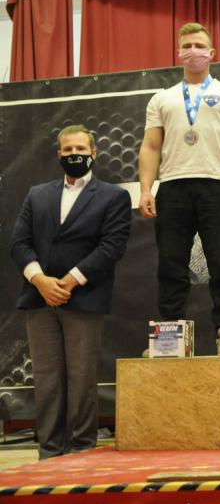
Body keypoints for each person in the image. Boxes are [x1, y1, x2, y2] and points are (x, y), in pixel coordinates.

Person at [10, 125, 131, 459]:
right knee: (47, 379)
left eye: (80, 149)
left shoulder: (113, 196)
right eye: (67, 150)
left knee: (81, 378)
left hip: (84, 299)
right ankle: (49, 452)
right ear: (58, 154)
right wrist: (40, 280)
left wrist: (71, 281)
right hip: (39, 298)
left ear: (94, 153)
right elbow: (19, 243)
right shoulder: (37, 194)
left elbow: (112, 246)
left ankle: (81, 451)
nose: (74, 154)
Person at [138, 22, 220, 355]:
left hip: (218, 185)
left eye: (199, 45)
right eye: (187, 45)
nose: (193, 51)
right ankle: (169, 338)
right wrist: (146, 189)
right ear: (178, 52)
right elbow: (150, 146)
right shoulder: (162, 98)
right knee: (171, 264)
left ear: (212, 52)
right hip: (173, 186)